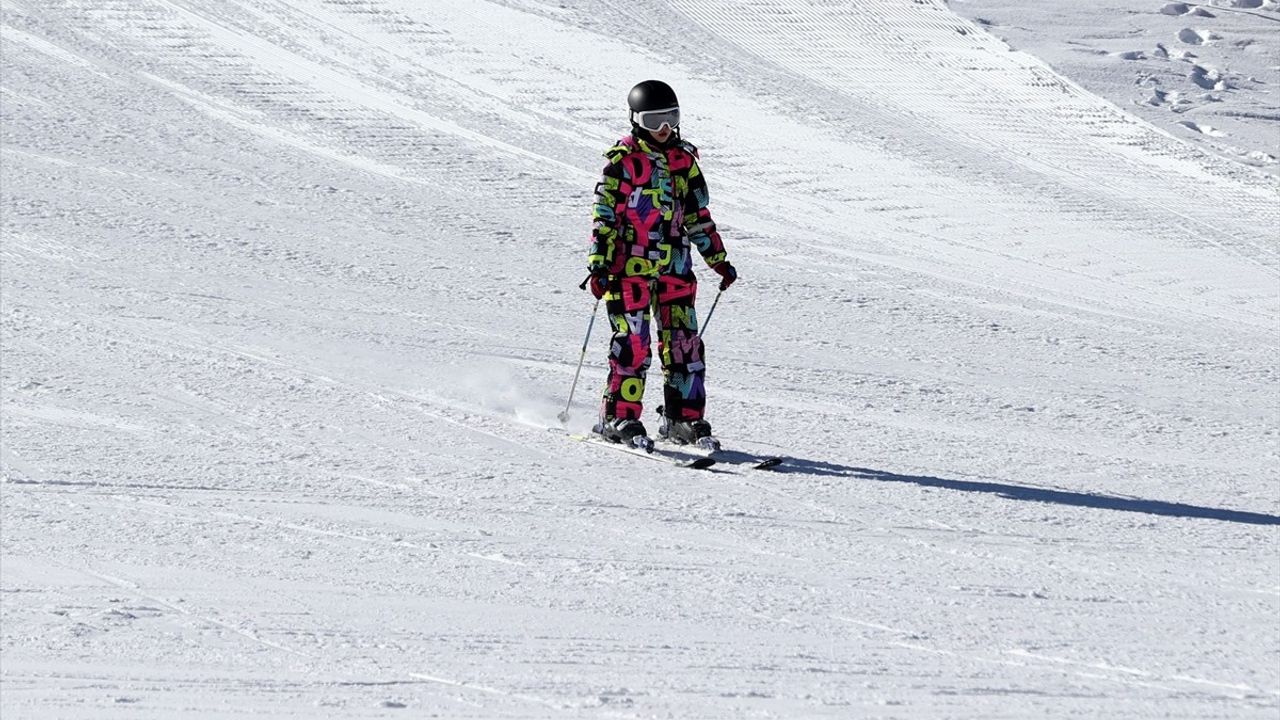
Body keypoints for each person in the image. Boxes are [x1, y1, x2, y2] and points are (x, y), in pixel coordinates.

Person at [585, 79, 737, 450]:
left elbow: (698, 216)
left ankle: (682, 419)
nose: (664, 128)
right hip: (629, 270)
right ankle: (618, 416)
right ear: (637, 120)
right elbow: (605, 216)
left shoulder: (684, 161)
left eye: (671, 118)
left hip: (675, 269)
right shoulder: (622, 162)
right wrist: (599, 264)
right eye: (654, 120)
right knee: (633, 344)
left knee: (684, 345)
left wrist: (717, 258)